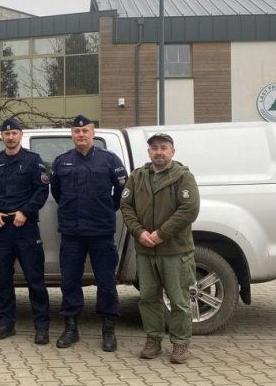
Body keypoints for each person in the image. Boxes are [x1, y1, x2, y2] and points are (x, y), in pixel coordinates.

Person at [119, 133, 200, 364]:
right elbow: (126, 206)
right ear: (149, 152)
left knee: (179, 299)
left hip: (175, 251)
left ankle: (180, 344)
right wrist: (140, 232)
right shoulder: (138, 176)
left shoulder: (183, 177)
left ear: (172, 151)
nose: (159, 152)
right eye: (154, 148)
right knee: (148, 298)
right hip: (146, 251)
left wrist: (160, 234)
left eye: (164, 148)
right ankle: (153, 340)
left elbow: (189, 210)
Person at [50, 115, 128, 351]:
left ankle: (108, 330)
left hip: (101, 232)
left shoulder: (109, 160)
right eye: (76, 131)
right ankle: (71, 328)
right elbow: (57, 193)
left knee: (106, 283)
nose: (81, 135)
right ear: (72, 134)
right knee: (70, 282)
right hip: (72, 233)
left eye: (85, 131)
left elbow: (122, 191)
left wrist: (105, 208)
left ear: (93, 133)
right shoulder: (62, 162)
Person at [0, 118, 51, 345]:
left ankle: (42, 327)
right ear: (2, 136)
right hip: (2, 229)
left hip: (25, 228)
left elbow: (42, 190)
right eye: (6, 134)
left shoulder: (32, 161)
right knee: (4, 281)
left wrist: (25, 212)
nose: (10, 137)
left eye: (14, 134)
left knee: (35, 280)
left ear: (21, 135)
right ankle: (6, 323)